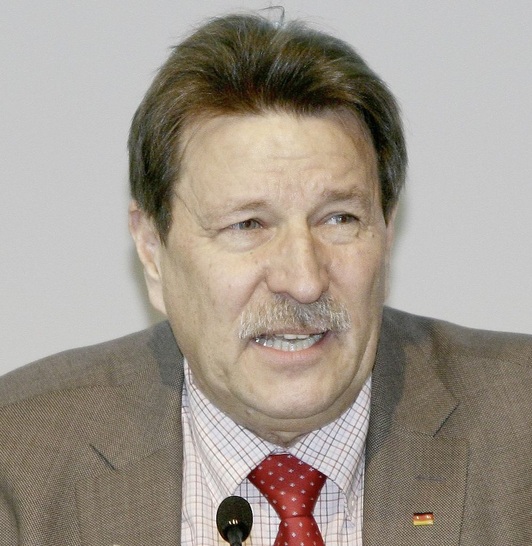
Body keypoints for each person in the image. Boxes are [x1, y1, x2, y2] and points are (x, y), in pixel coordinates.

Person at [0, 12, 530, 546]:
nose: (303, 280)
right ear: (152, 248)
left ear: (387, 231)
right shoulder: (20, 457)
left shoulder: (519, 429)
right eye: (247, 225)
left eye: (339, 219)